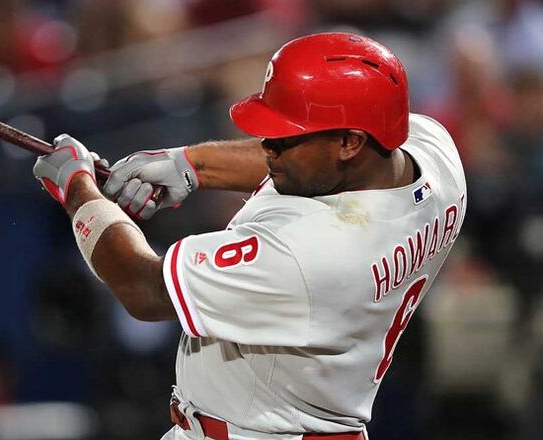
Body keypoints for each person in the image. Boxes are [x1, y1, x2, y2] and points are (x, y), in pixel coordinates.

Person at [33, 33, 467, 440]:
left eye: (285, 138)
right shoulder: (435, 155)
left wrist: (78, 191)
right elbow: (329, 162)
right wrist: (193, 164)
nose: (267, 148)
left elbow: (141, 287)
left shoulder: (311, 254)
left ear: (351, 142)